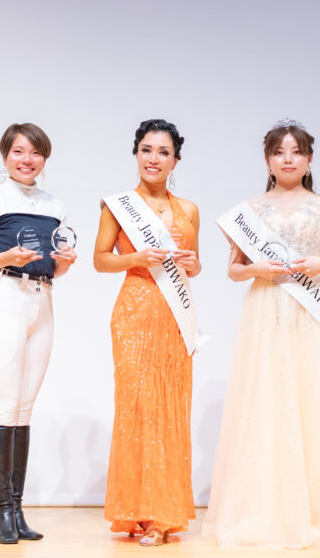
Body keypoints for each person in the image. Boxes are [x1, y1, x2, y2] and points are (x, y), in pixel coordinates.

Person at [202, 120, 320, 548]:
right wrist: (257, 268)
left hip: (311, 312)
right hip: (266, 309)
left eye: (296, 152)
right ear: (268, 160)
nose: (288, 159)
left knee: (312, 400)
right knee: (267, 400)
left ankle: (315, 511)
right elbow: (234, 270)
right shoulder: (250, 209)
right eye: (279, 152)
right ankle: (263, 509)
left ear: (309, 159)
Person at [0, 123, 77, 544]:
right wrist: (8, 255)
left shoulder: (54, 204)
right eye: (18, 152)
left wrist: (65, 262)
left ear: (45, 158)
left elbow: (54, 266)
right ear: (5, 156)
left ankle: (17, 508)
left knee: (25, 408)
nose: (27, 160)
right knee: (4, 405)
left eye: (35, 153)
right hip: (5, 296)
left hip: (42, 299)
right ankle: (1, 513)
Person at [94, 119, 201, 548]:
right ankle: (136, 510)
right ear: (136, 153)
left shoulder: (189, 209)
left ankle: (163, 514)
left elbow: (195, 265)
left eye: (163, 152)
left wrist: (193, 265)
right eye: (147, 149)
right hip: (135, 311)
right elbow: (100, 260)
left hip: (175, 315)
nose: (154, 158)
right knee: (136, 407)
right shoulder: (118, 206)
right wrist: (135, 257)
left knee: (170, 407)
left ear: (176, 160)